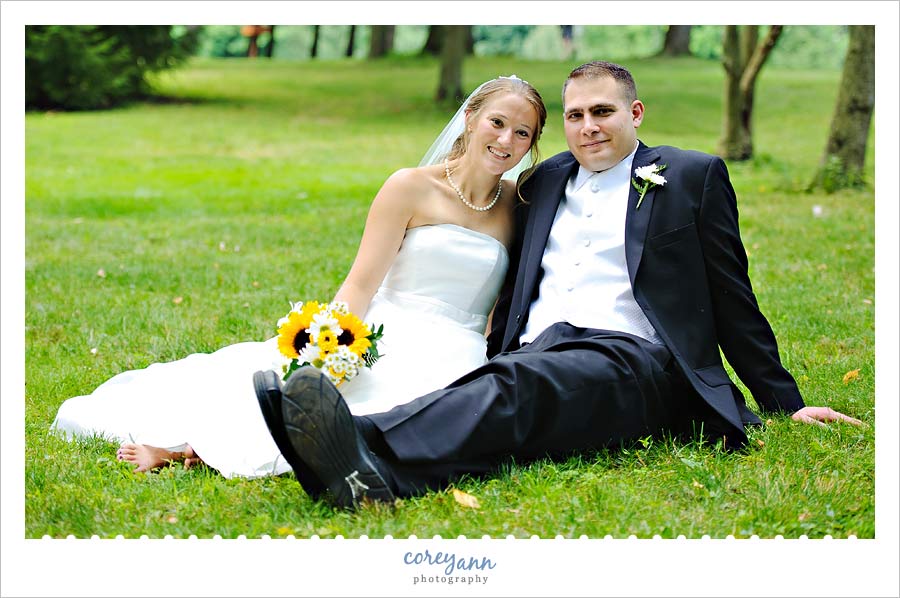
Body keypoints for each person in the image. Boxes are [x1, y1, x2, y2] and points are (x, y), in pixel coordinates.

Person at [255, 61, 862, 510]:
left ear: (635, 113)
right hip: (537, 349)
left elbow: (732, 297)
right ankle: (369, 479)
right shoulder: (540, 183)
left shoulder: (689, 176)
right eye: (575, 116)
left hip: (634, 356)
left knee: (519, 386)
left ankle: (357, 435)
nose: (588, 127)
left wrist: (783, 402)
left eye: (603, 112)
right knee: (510, 395)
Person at [51, 75, 548, 478]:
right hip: (386, 329)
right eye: (497, 122)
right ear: (470, 118)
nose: (506, 140)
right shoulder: (410, 188)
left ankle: (201, 450)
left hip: (459, 351)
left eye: (522, 133)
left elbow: (502, 303)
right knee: (318, 395)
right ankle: (187, 446)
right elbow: (361, 283)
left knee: (406, 418)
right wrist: (330, 344)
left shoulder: (519, 204)